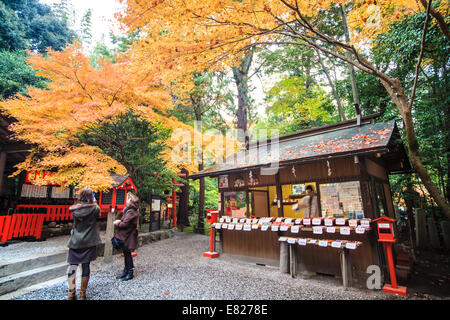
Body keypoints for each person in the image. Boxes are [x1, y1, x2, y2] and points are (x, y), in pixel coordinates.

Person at [66, 188, 101, 300]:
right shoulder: (94, 209)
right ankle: (82, 293)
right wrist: (94, 201)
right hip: (89, 241)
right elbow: (98, 213)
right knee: (86, 266)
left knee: (72, 266)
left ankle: (71, 292)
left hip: (76, 240)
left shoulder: (75, 209)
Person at [113, 193, 139, 281]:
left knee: (127, 254)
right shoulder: (130, 210)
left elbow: (125, 224)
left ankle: (130, 272)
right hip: (127, 235)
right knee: (126, 253)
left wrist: (118, 222)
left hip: (128, 235)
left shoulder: (131, 211)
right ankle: (126, 271)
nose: (127, 201)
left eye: (128, 199)